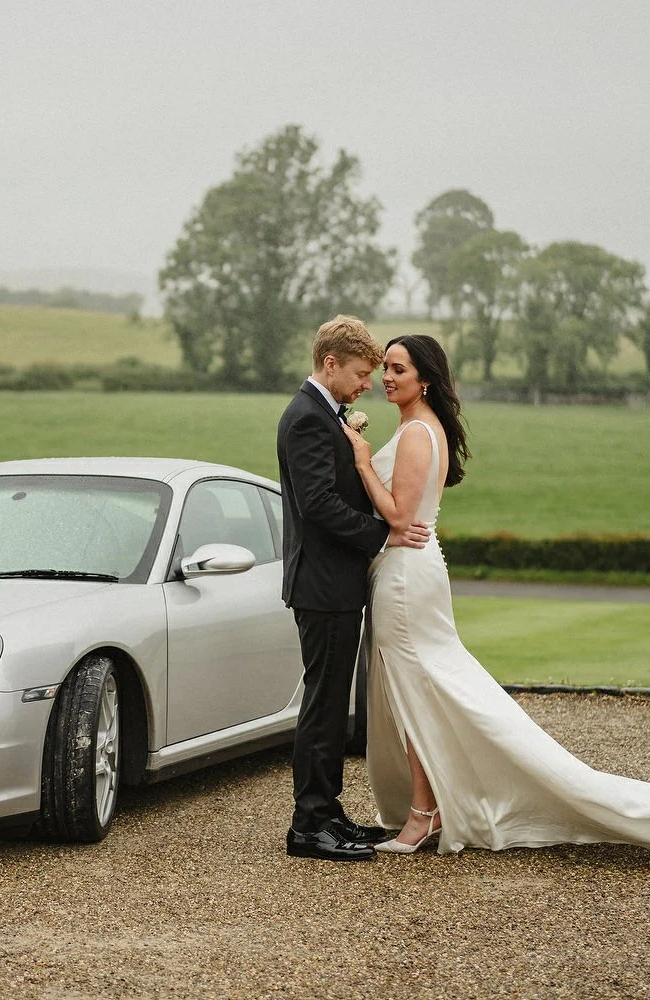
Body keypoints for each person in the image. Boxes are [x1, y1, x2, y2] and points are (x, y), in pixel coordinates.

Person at [342, 333, 650, 870]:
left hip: (407, 577)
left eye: (398, 369)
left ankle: (426, 812)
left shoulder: (415, 434)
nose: (386, 377)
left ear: (424, 378)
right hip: (414, 571)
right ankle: (428, 807)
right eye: (385, 368)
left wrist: (362, 462)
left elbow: (401, 517)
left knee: (419, 692)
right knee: (423, 692)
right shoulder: (424, 427)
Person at [276, 316, 431, 862]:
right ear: (331, 364)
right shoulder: (306, 419)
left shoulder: (323, 414)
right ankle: (308, 826)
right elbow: (317, 504)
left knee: (331, 702)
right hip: (322, 585)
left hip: (335, 583)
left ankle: (329, 813)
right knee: (322, 706)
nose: (368, 384)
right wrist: (383, 533)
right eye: (362, 374)